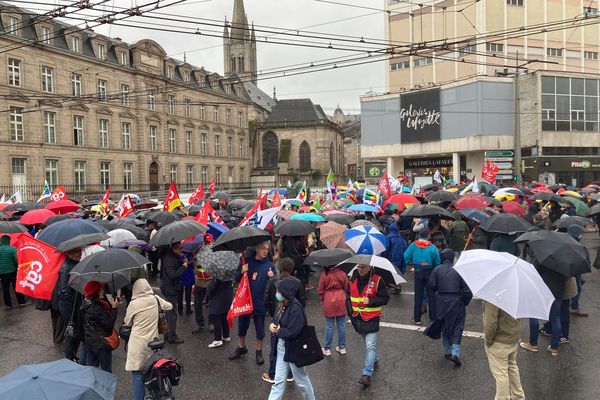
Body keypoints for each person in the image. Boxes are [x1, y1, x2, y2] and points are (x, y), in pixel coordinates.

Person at [124, 279, 173, 400]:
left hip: (137, 344)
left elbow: (127, 321)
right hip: (153, 343)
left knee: (137, 373)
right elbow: (169, 306)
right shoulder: (155, 299)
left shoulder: (133, 304)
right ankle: (156, 395)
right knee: (153, 370)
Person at [267, 279, 316, 400]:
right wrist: (272, 325)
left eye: (278, 291)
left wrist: (278, 330)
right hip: (282, 347)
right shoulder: (282, 305)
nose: (276, 293)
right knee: (278, 381)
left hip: (294, 349)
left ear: (285, 293)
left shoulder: (295, 308)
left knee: (302, 381)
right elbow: (277, 321)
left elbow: (293, 331)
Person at [230, 241, 275, 365]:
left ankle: (259, 351)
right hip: (246, 300)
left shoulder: (270, 266)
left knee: (260, 328)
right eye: (262, 249)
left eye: (267, 249)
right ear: (256, 249)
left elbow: (275, 285)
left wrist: (273, 277)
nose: (265, 251)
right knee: (242, 325)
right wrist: (242, 271)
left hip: (260, 302)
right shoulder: (247, 262)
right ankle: (241, 347)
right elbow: (236, 279)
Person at [346, 263, 390, 387]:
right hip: (357, 319)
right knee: (368, 343)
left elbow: (385, 299)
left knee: (370, 346)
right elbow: (347, 296)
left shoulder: (378, 280)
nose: (360, 270)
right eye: (359, 267)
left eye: (364, 267)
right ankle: (375, 360)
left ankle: (366, 375)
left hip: (372, 318)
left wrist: (370, 301)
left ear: (370, 267)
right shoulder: (351, 279)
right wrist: (349, 310)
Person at [263, 257, 305, 384]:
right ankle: (290, 374)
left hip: (277, 319)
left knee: (275, 348)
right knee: (291, 346)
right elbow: (302, 301)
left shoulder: (273, 281)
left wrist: (273, 315)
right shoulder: (297, 282)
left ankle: (272, 374)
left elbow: (266, 300)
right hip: (291, 320)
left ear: (279, 268)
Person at [427, 249, 472, 366]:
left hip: (442, 300)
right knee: (458, 326)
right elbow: (467, 290)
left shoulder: (437, 269)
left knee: (444, 326)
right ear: (452, 258)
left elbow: (431, 286)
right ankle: (455, 352)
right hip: (457, 300)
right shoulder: (459, 270)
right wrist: (465, 301)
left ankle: (447, 351)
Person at [483, 301, 525, 400]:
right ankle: (518, 396)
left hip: (500, 340)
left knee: (501, 374)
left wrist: (488, 340)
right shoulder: (514, 290)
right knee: (512, 367)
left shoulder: (494, 295)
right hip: (513, 336)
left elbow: (490, 322)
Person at [78, 281, 119, 372]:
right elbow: (109, 325)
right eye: (100, 290)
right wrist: (115, 309)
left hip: (89, 342)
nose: (103, 291)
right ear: (95, 293)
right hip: (101, 344)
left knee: (92, 369)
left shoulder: (85, 305)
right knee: (106, 371)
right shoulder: (98, 308)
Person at [404, 229, 441, 325]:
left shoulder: (413, 245)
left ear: (419, 235)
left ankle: (417, 318)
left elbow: (406, 256)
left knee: (418, 295)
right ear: (428, 236)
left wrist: (410, 263)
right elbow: (437, 260)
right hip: (430, 271)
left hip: (418, 270)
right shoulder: (432, 247)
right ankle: (433, 318)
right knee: (431, 295)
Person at [317, 261, 348, 357]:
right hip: (341, 298)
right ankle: (342, 347)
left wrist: (324, 298)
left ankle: (327, 348)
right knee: (342, 325)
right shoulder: (342, 273)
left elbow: (320, 290)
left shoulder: (324, 274)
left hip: (329, 299)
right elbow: (346, 287)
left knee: (329, 325)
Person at [58, 247, 84, 361]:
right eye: (76, 252)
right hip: (68, 304)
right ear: (68, 253)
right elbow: (65, 290)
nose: (79, 253)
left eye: (80, 251)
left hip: (75, 301)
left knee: (76, 330)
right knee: (71, 329)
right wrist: (70, 311)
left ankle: (73, 354)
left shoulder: (76, 263)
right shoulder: (66, 267)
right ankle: (69, 357)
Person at [160, 242, 188, 344]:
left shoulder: (173, 257)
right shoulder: (169, 259)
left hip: (170, 288)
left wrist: (181, 263)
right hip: (170, 289)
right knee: (172, 314)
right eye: (180, 248)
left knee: (169, 312)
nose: (182, 250)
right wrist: (183, 267)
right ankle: (172, 336)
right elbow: (173, 275)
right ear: (174, 249)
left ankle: (167, 333)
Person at [0, 235, 29, 309]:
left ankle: (8, 305)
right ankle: (21, 301)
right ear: (8, 241)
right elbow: (16, 260)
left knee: (5, 288)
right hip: (13, 271)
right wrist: (18, 267)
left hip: (2, 273)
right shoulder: (12, 248)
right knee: (16, 287)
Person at [206, 276, 233, 348]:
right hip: (227, 298)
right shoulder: (230, 274)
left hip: (217, 299)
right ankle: (226, 335)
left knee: (215, 317)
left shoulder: (218, 276)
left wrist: (208, 294)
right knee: (224, 317)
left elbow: (211, 288)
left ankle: (218, 339)